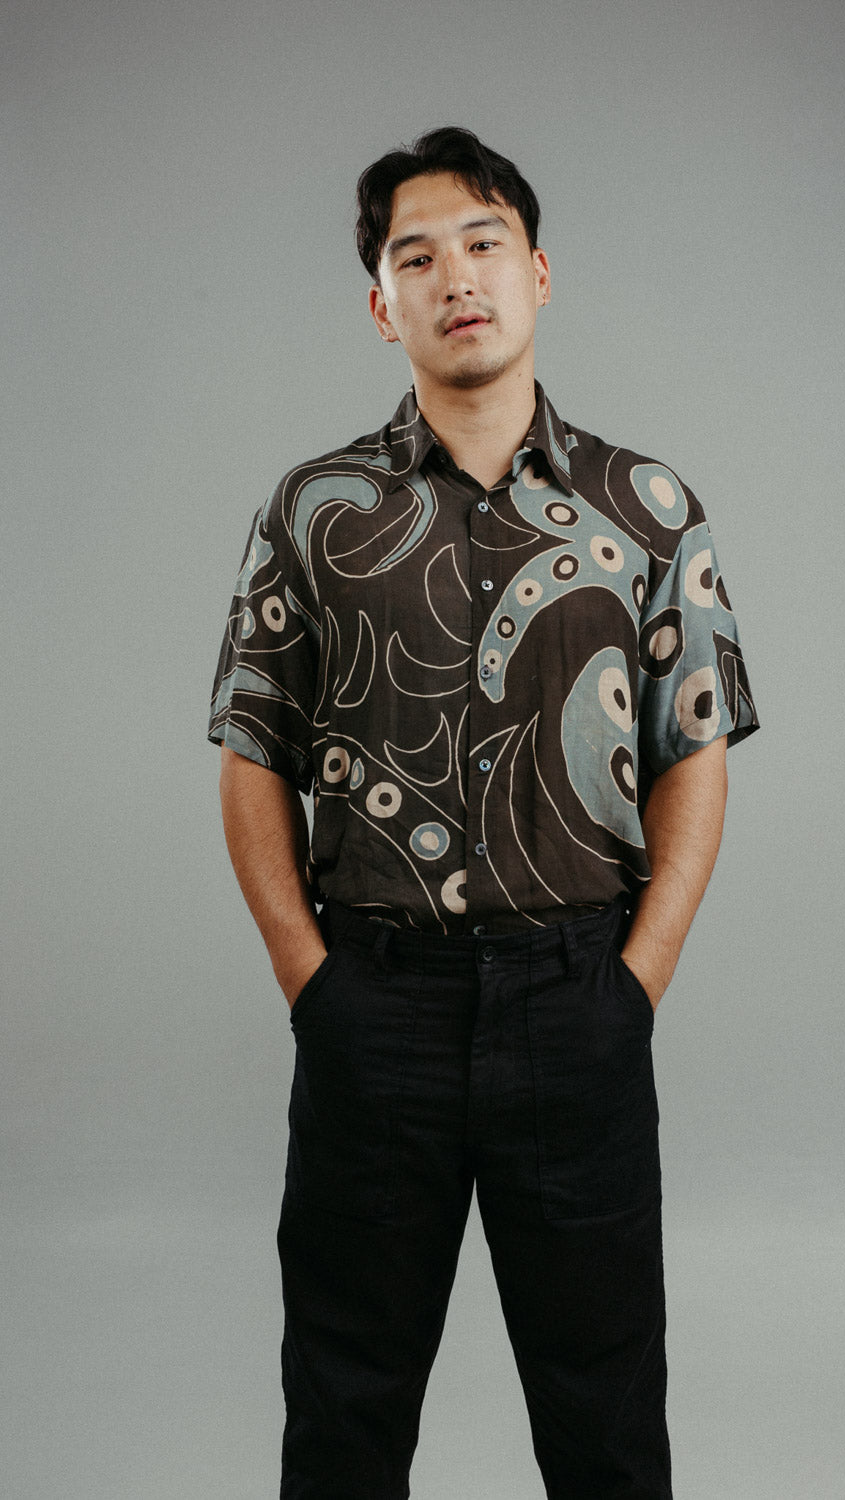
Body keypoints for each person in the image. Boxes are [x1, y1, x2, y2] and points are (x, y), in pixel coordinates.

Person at [209, 126, 758, 1500]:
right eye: (416, 255)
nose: (455, 275)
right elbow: (251, 749)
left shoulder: (647, 507)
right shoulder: (315, 509)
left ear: (539, 271)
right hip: (370, 1007)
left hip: (577, 997)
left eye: (483, 241)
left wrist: (637, 981)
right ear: (379, 303)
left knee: (608, 1425)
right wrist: (309, 983)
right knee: (343, 1414)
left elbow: (697, 745)